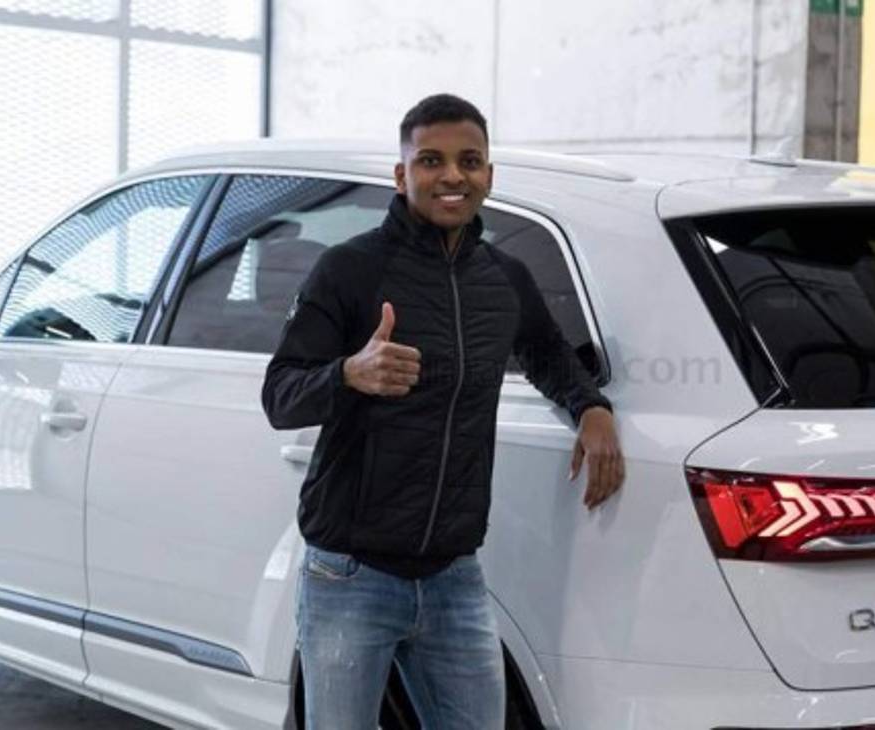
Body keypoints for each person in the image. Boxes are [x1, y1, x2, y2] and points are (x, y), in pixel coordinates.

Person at [261, 93, 624, 730]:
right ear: (401, 176)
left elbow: (544, 351)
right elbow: (280, 395)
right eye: (431, 160)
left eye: (469, 161)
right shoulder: (348, 271)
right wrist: (350, 373)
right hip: (351, 572)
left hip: (454, 576)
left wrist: (591, 409)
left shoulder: (503, 277)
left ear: (488, 174)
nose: (452, 176)